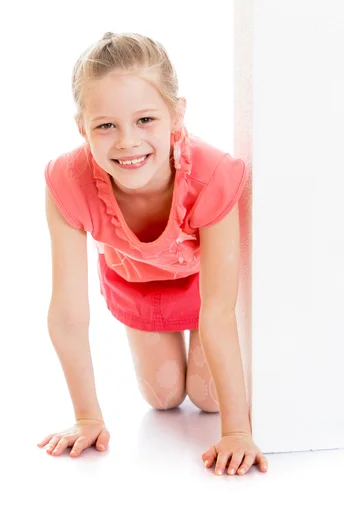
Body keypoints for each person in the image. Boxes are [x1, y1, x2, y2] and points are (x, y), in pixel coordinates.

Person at [37, 32, 268, 476]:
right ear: (82, 126)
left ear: (176, 114)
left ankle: (214, 384)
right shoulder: (68, 180)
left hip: (205, 290)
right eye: (106, 125)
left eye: (145, 119)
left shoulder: (211, 175)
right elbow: (67, 312)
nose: (127, 142)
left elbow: (219, 311)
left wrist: (237, 430)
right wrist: (87, 417)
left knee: (207, 399)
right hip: (137, 286)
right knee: (162, 399)